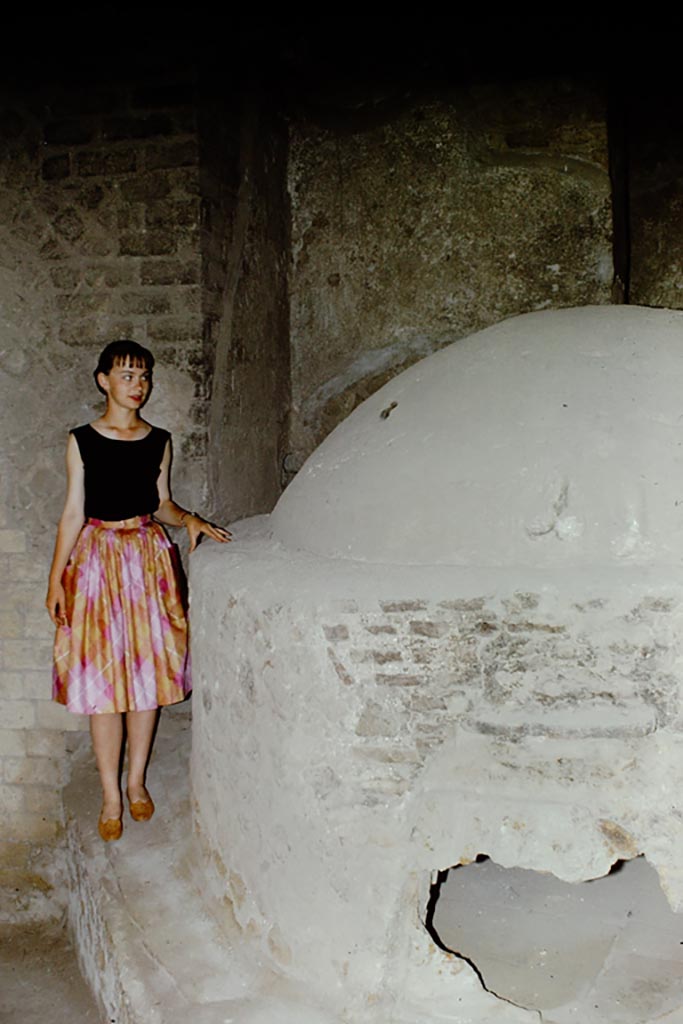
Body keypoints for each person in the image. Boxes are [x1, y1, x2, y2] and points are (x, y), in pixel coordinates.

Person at [46, 340, 231, 841]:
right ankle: (109, 794)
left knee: (146, 680)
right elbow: (71, 514)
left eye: (144, 376)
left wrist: (191, 519)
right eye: (127, 375)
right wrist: (55, 581)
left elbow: (163, 503)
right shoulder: (82, 440)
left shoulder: (158, 439)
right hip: (97, 561)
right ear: (103, 380)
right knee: (105, 688)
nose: (138, 385)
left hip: (147, 559)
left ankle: (136, 783)